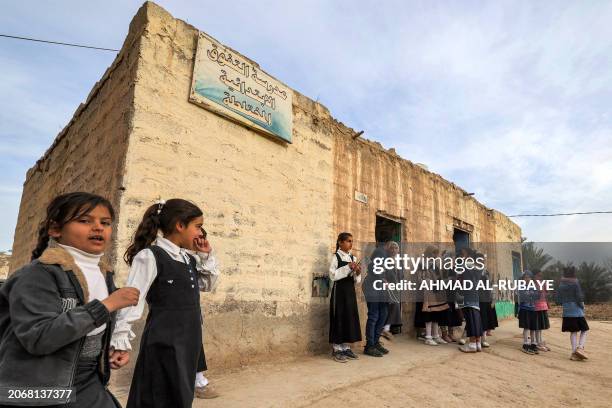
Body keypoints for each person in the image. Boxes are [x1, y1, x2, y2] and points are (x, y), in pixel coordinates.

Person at [0, 192, 139, 407]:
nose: (98, 227)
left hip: (86, 379)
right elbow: (38, 337)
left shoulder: (103, 274)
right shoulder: (39, 275)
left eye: (105, 222)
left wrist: (109, 349)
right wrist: (107, 305)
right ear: (56, 229)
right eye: (84, 221)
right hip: (37, 388)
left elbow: (88, 331)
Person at [112, 198, 208, 408]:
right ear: (179, 225)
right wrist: (120, 341)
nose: (201, 233)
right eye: (198, 227)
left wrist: (206, 256)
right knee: (157, 397)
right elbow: (131, 299)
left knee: (180, 396)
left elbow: (207, 284)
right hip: (164, 342)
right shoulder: (150, 256)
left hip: (188, 342)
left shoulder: (188, 258)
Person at [192, 228, 220, 399]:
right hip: (171, 314)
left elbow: (207, 285)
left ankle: (198, 380)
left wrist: (206, 256)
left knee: (195, 344)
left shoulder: (195, 259)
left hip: (192, 312)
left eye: (202, 237)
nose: (200, 240)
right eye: (197, 236)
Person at [329, 232, 362, 362]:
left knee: (349, 316)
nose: (350, 244)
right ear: (340, 242)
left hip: (350, 292)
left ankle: (346, 347)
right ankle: (337, 348)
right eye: (348, 241)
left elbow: (356, 280)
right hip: (339, 291)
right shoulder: (336, 257)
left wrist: (357, 272)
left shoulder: (353, 258)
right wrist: (347, 267)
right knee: (339, 316)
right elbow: (332, 276)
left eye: (351, 241)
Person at [558, 266, 590, 361]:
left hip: (567, 312)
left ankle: (573, 353)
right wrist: (582, 306)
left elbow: (559, 300)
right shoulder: (575, 284)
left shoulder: (561, 285)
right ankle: (580, 348)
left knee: (573, 332)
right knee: (585, 330)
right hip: (577, 312)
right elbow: (579, 297)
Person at [532, 269, 550, 352]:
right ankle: (537, 343)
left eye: (540, 275)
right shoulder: (533, 284)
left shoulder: (542, 283)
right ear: (534, 276)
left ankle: (540, 341)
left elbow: (546, 294)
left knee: (541, 327)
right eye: (538, 275)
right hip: (536, 308)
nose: (540, 277)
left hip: (543, 307)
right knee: (537, 326)